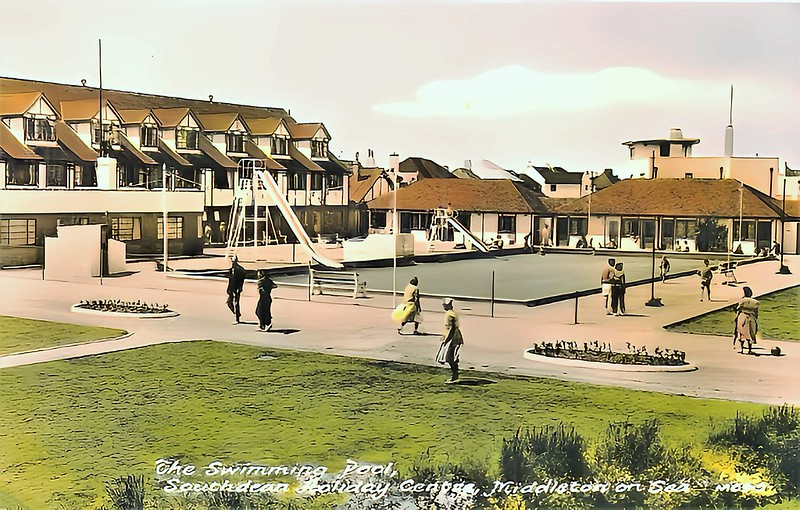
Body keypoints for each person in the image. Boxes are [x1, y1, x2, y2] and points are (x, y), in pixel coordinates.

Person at [436, 297, 464, 383]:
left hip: (452, 337)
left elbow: (449, 327)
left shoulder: (449, 314)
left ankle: (454, 376)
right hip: (456, 335)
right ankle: (455, 375)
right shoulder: (453, 313)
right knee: (451, 356)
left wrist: (445, 338)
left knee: (450, 356)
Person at [734, 287, 759, 355]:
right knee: (750, 333)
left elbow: (738, 309)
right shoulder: (755, 302)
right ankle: (749, 349)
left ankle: (742, 349)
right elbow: (756, 313)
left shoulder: (742, 301)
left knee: (741, 333)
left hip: (742, 316)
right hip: (751, 317)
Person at [226, 255, 246, 323]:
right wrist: (228, 290)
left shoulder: (240, 270)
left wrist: (240, 288)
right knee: (229, 303)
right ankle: (237, 313)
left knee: (236, 303)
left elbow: (242, 280)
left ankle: (237, 318)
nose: (232, 262)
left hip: (237, 288)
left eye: (234, 261)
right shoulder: (231, 270)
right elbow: (230, 280)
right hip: (231, 289)